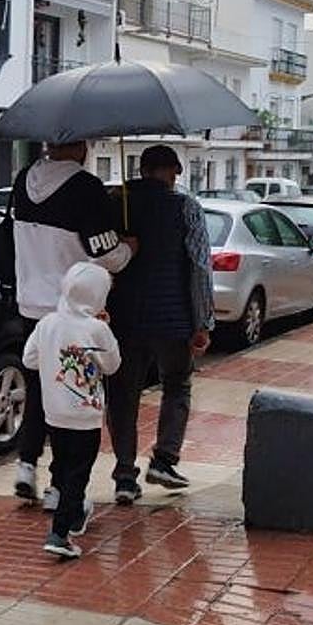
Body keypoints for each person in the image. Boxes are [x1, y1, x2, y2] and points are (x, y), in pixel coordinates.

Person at [11, 141, 136, 509]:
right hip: (73, 312)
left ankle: (25, 464)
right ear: (81, 145)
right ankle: (58, 489)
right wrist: (129, 248)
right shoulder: (85, 187)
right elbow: (105, 254)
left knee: (38, 389)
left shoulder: (23, 180)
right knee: (71, 397)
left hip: (30, 304)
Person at [106, 145, 214, 503]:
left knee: (123, 395)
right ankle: (164, 460)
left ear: (142, 169)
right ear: (172, 172)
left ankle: (124, 475)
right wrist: (203, 321)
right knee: (177, 384)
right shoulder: (187, 208)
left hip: (124, 319)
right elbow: (199, 267)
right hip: (173, 319)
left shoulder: (116, 204)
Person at [23, 262, 121, 559]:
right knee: (78, 473)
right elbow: (113, 365)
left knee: (64, 465)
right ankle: (59, 533)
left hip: (54, 412)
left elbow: (29, 359)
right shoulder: (98, 329)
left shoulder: (47, 323)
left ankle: (75, 515)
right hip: (85, 415)